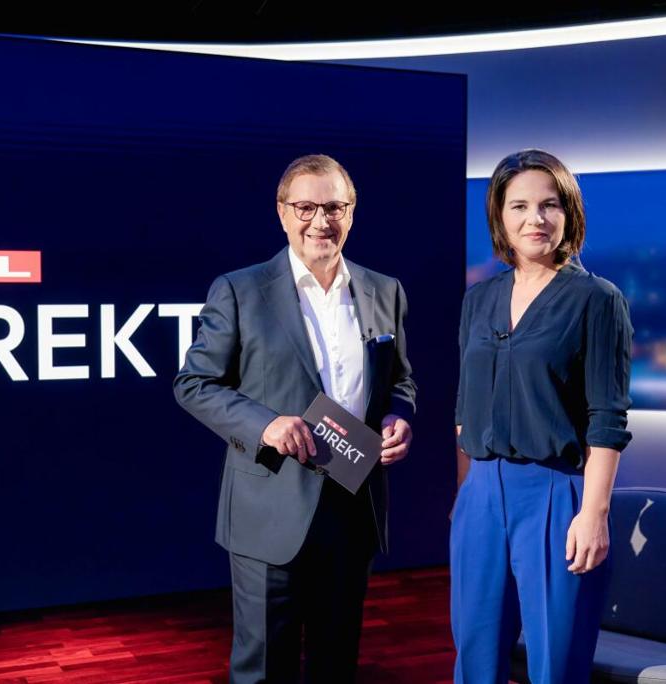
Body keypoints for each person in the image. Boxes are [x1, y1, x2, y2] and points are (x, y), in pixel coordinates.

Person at [174, 154, 416, 683]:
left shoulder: (384, 290)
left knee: (336, 663)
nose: (320, 221)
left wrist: (399, 415)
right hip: (270, 508)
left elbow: (399, 379)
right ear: (282, 213)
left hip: (353, 507)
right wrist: (265, 425)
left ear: (351, 213)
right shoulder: (240, 290)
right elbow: (194, 384)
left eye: (334, 208)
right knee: (264, 669)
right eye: (306, 207)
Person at [451, 149, 633, 683]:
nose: (536, 218)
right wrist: (464, 499)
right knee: (475, 657)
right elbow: (465, 409)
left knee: (556, 662)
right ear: (499, 216)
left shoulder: (597, 299)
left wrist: (594, 513)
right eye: (520, 206)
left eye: (550, 205)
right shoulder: (478, 299)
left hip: (557, 495)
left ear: (569, 213)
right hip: (481, 494)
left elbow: (607, 418)